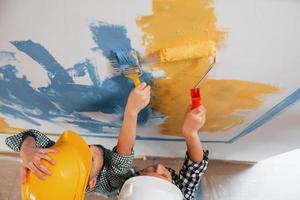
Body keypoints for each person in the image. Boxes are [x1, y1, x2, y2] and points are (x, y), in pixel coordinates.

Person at [5, 82, 151, 197]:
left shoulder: (61, 158)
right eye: (91, 159)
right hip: (120, 184)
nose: (90, 148)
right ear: (93, 182)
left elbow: (30, 136)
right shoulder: (112, 179)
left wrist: (27, 149)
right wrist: (132, 110)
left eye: (81, 150)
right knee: (126, 175)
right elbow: (123, 152)